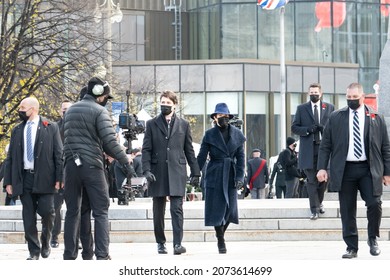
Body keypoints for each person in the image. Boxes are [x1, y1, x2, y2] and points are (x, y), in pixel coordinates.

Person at [62, 77, 133, 260]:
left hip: (70, 166)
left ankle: (72, 254)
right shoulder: (100, 112)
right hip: (92, 166)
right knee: (101, 210)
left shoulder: (70, 111)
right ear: (99, 95)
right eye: (106, 97)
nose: (106, 101)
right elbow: (109, 142)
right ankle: (102, 254)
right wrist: (126, 161)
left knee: (74, 211)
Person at [317, 82, 390, 259]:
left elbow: (385, 147)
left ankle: (372, 239)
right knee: (347, 209)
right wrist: (321, 168)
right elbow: (325, 146)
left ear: (363, 97)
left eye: (354, 98)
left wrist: (387, 172)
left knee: (374, 203)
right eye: (348, 98)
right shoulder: (336, 117)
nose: (351, 101)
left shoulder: (375, 117)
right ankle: (351, 247)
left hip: (369, 168)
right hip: (345, 170)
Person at [3, 97, 63, 260]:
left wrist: (59, 178)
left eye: (23, 107)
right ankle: (34, 250)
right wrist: (8, 182)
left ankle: (46, 241)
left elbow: (58, 155)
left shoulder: (51, 127)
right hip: (24, 178)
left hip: (45, 178)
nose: (20, 110)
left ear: (33, 109)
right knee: (28, 216)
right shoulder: (17, 130)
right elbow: (10, 158)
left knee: (48, 213)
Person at [142, 90, 200, 255]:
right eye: (162, 102)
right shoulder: (151, 124)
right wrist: (146, 170)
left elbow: (189, 150)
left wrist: (195, 171)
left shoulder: (184, 124)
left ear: (174, 105)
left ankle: (177, 244)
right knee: (158, 210)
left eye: (168, 103)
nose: (164, 106)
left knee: (177, 209)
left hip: (177, 171)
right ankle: (160, 243)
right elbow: (146, 149)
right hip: (157, 171)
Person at [197, 103, 246, 254]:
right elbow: (201, 156)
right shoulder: (209, 135)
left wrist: (240, 177)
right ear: (214, 118)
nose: (222, 118)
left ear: (229, 117)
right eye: (219, 116)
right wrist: (195, 172)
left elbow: (241, 157)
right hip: (214, 173)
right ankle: (220, 239)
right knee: (216, 209)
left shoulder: (237, 134)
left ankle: (221, 234)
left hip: (230, 173)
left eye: (225, 116)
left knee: (230, 210)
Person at [292, 82, 335, 219]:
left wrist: (325, 130)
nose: (314, 95)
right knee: (311, 180)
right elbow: (294, 127)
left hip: (324, 149)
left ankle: (319, 202)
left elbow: (335, 127)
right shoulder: (302, 108)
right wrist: (307, 130)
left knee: (323, 179)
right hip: (308, 150)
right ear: (308, 94)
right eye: (311, 93)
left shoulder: (329, 108)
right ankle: (314, 209)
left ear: (321, 94)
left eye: (316, 93)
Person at [51, 100, 73, 248]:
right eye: (63, 109)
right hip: (57, 173)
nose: (65, 112)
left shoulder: (77, 127)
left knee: (74, 208)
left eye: (68, 109)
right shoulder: (53, 128)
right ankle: (54, 237)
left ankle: (74, 238)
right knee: (55, 207)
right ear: (60, 111)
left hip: (73, 172)